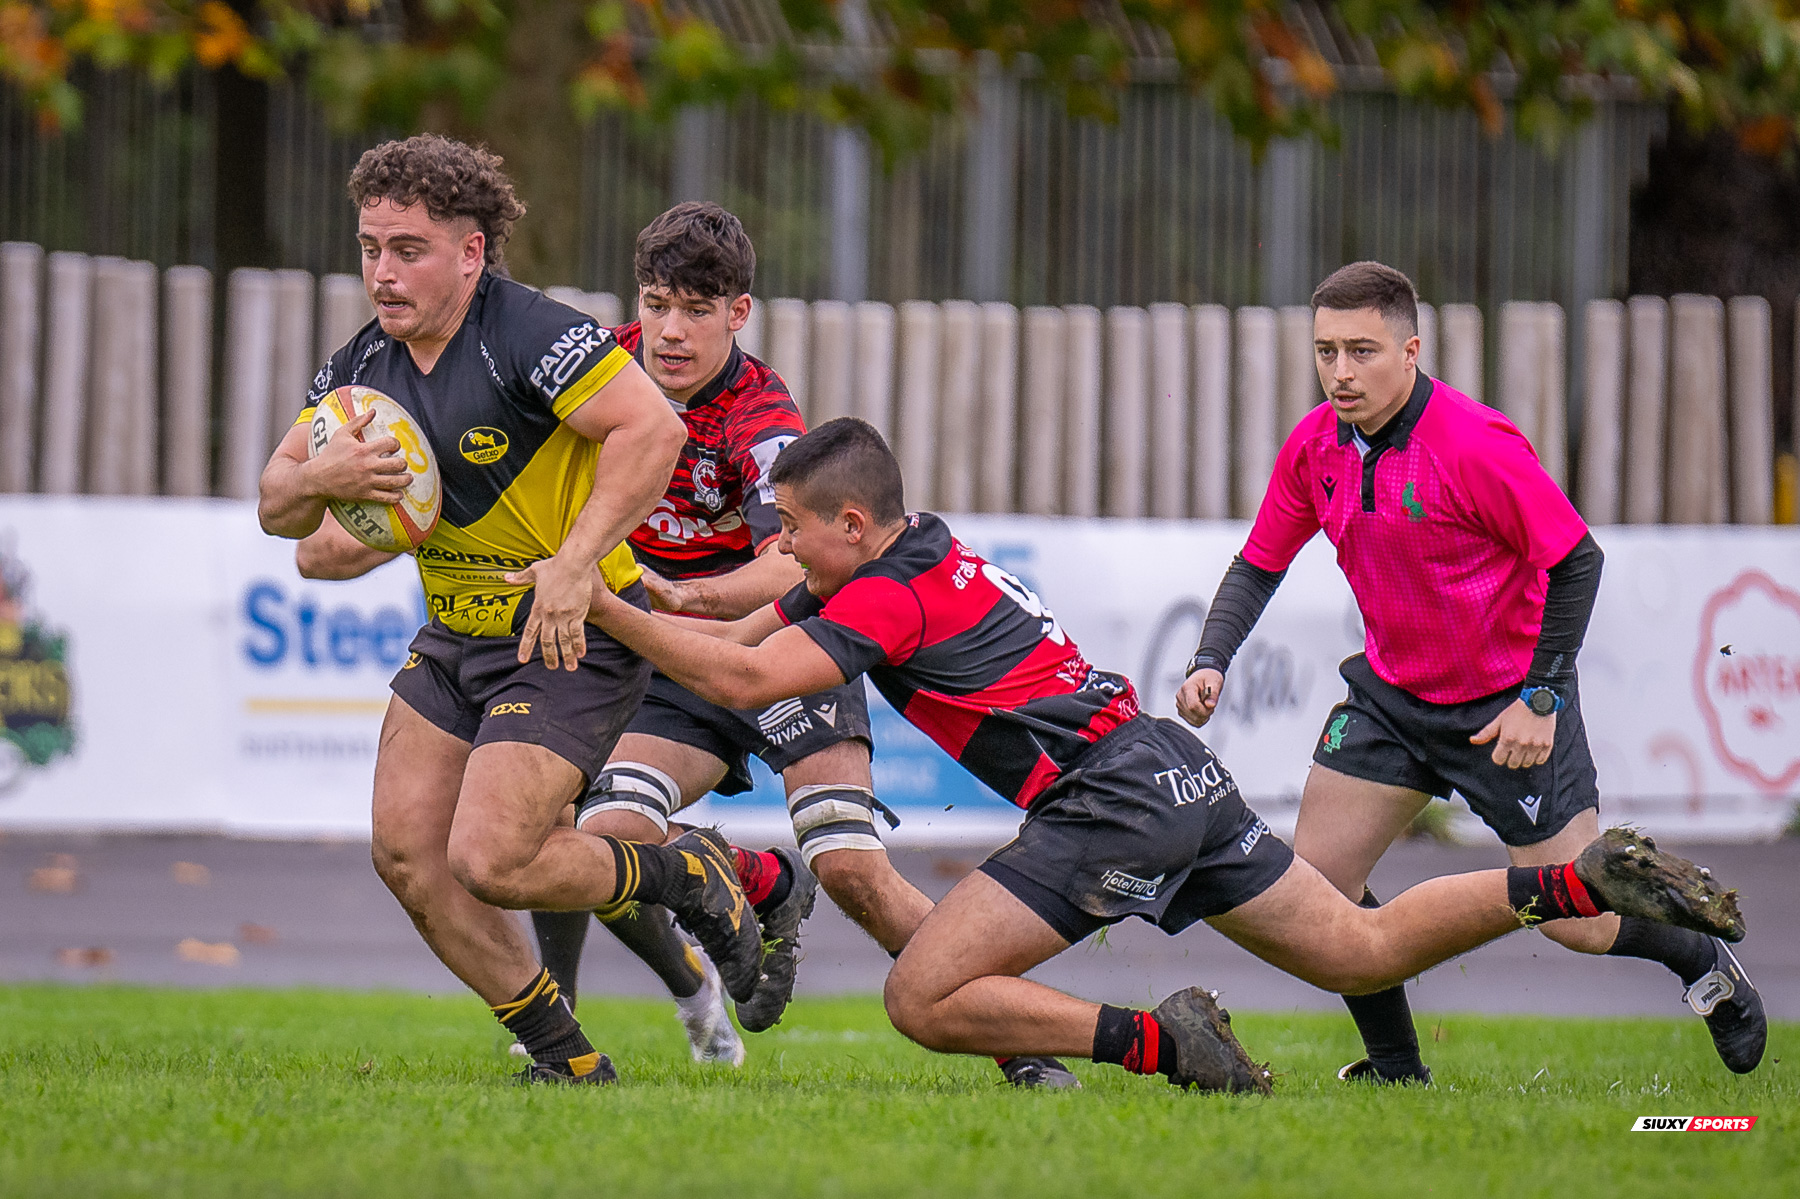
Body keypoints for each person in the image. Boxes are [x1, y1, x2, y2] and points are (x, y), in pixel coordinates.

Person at [578, 416, 1746, 1091]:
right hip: (1166, 767)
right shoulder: (920, 555)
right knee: (1358, 945)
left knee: (922, 995)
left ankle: (1162, 1043)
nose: (779, 547)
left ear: (848, 525)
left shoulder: (888, 595)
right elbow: (729, 637)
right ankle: (1578, 882)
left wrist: (592, 596)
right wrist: (633, 595)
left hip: (1108, 799)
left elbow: (738, 681)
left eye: (791, 529)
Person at [1176, 261, 1766, 1083]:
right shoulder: (1316, 447)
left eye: (1362, 351)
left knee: (1580, 921)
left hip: (1507, 703)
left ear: (1411, 349)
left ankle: (1700, 957)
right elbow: (1257, 564)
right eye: (1325, 353)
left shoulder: (1470, 443)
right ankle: (1396, 1067)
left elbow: (1577, 561)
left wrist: (1542, 696)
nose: (1340, 373)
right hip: (1392, 699)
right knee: (1319, 890)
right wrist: (1212, 657)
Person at [527, 202, 1074, 1086]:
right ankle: (749, 883)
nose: (670, 331)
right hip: (674, 662)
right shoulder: (600, 367)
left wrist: (684, 595)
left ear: (738, 313)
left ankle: (1025, 1048)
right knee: (605, 835)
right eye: (657, 303)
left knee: (851, 866)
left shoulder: (759, 413)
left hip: (789, 644)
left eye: (696, 312)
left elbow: (790, 567)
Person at [258, 135, 764, 1086]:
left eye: (408, 248)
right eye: (370, 247)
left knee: (490, 856)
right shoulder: (364, 364)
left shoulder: (528, 333)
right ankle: (565, 1059)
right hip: (456, 635)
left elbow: (652, 427)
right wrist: (323, 475)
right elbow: (282, 515)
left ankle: (685, 870)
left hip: (565, 635)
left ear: (472, 251)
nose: (382, 271)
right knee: (408, 856)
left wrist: (576, 563)